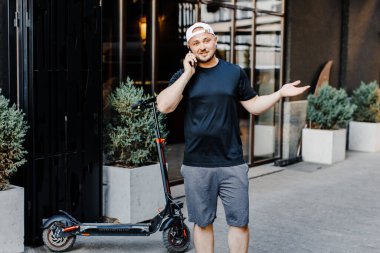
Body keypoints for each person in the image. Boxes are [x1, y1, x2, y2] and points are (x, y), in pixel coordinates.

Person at [157, 22, 310, 253]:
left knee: (239, 222)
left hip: (232, 162)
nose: (202, 46)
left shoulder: (234, 72)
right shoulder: (183, 76)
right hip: (197, 164)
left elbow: (254, 106)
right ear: (189, 48)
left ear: (215, 40)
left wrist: (279, 93)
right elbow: (164, 106)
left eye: (206, 40)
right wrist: (188, 73)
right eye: (195, 43)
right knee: (202, 222)